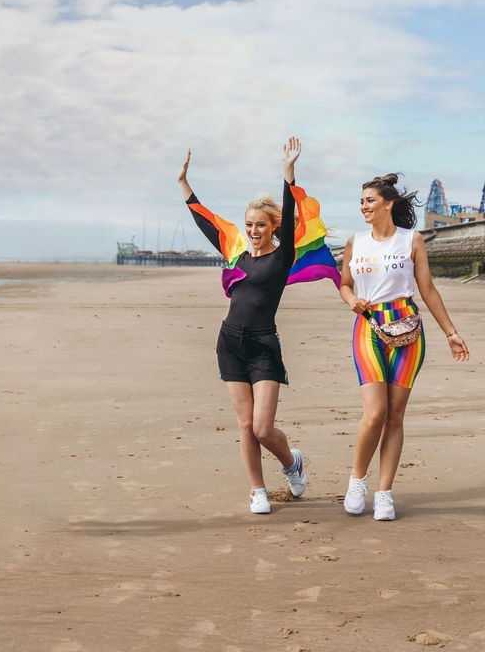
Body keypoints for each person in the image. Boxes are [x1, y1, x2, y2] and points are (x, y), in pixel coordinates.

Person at [178, 137, 308, 514]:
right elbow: (205, 222)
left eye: (260, 225)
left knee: (264, 429)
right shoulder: (236, 253)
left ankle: (292, 463)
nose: (253, 230)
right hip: (230, 344)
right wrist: (184, 185)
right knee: (246, 425)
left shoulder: (282, 258)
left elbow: (290, 207)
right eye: (249, 224)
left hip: (264, 346)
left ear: (272, 227)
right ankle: (258, 490)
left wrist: (288, 172)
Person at [339, 173, 469, 521]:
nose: (363, 206)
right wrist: (351, 298)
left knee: (395, 416)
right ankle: (357, 480)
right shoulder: (356, 242)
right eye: (362, 201)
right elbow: (344, 283)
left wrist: (450, 332)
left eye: (369, 200)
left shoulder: (412, 241)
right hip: (369, 327)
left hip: (408, 329)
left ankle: (384, 493)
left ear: (388, 204)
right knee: (375, 413)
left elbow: (427, 289)